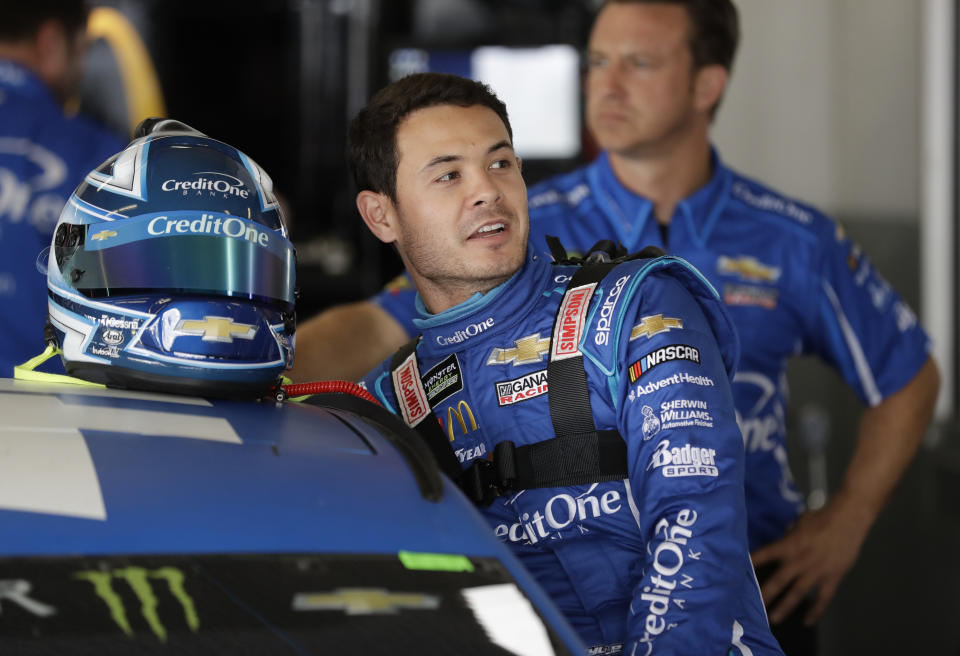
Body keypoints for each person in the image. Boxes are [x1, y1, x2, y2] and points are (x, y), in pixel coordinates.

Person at [292, 1, 941, 652]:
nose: (608, 83)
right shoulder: (519, 226)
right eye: (598, 62)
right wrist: (264, 372)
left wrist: (847, 523)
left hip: (752, 575)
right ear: (384, 215)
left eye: (640, 62)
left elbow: (906, 375)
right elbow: (383, 324)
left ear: (705, 84)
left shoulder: (778, 243)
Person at [352, 71, 783, 655]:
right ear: (382, 216)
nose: (487, 191)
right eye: (449, 174)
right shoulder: (390, 400)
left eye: (501, 163)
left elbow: (694, 511)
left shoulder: (635, 305)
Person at [0, 1, 125, 377]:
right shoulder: (101, 159)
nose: (81, 70)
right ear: (52, 43)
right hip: (48, 417)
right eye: (82, 52)